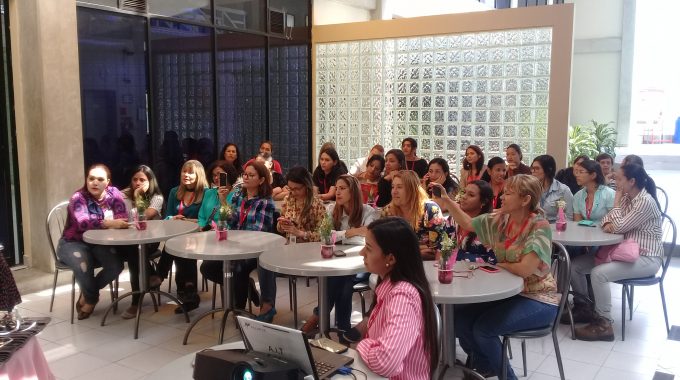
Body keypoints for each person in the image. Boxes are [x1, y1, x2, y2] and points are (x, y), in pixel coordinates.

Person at [432, 174, 557, 380]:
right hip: (510, 294)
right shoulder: (502, 220)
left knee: (484, 330)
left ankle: (507, 377)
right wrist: (446, 199)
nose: (502, 197)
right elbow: (468, 223)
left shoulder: (539, 226)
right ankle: (483, 366)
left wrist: (498, 264)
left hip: (539, 297)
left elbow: (525, 269)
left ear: (525, 200)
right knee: (459, 320)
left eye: (508, 193)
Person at [570, 164, 663, 341]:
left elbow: (619, 226)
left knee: (598, 274)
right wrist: (610, 222)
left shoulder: (644, 201)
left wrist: (616, 201)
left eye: (619, 179)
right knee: (576, 266)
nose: (615, 182)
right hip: (623, 252)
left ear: (632, 181)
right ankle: (584, 308)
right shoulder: (629, 198)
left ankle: (604, 323)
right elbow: (607, 219)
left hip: (646, 258)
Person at [350, 217, 439, 379]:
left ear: (390, 259)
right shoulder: (389, 285)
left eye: (368, 248)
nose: (361, 253)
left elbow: (385, 363)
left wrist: (362, 344)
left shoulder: (402, 297)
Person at [300, 175, 378, 339]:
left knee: (343, 280)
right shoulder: (331, 210)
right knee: (340, 279)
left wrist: (341, 235)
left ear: (354, 191)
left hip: (362, 263)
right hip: (337, 261)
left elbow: (368, 238)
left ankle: (319, 318)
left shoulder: (368, 212)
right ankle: (343, 331)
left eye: (342, 188)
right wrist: (353, 232)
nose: (337, 192)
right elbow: (325, 237)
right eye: (336, 188)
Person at [202, 162, 276, 320]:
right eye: (245, 174)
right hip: (235, 247)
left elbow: (258, 232)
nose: (246, 178)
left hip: (256, 249)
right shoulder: (238, 195)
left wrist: (236, 236)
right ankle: (247, 288)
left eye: (251, 175)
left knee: (238, 269)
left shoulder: (265, 201)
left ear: (261, 180)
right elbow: (232, 220)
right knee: (207, 267)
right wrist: (223, 201)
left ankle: (238, 310)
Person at [57, 164, 127, 320]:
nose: (95, 182)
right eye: (91, 178)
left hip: (100, 242)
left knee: (116, 265)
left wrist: (113, 222)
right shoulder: (78, 198)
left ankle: (87, 293)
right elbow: (83, 223)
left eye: (100, 179)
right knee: (83, 264)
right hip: (72, 242)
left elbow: (122, 216)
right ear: (86, 180)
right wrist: (108, 223)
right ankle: (91, 299)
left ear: (108, 182)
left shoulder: (114, 194)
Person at [154, 160, 209, 313]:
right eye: (184, 171)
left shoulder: (206, 193)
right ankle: (189, 290)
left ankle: (161, 275)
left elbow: (205, 220)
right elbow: (167, 218)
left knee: (179, 245)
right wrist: (172, 219)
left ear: (199, 175)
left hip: (199, 235)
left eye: (190, 172)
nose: (186, 175)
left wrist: (186, 221)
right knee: (178, 245)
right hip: (178, 236)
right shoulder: (174, 192)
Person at [118, 165, 164, 319]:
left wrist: (139, 197)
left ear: (150, 182)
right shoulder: (122, 196)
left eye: (142, 180)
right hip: (128, 239)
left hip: (150, 240)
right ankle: (151, 274)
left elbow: (142, 219)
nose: (138, 183)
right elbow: (121, 219)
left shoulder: (157, 198)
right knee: (133, 251)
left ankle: (135, 302)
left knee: (134, 255)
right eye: (135, 179)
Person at [382, 170, 446, 260]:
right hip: (396, 265)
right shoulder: (387, 212)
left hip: (427, 265)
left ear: (412, 189)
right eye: (393, 187)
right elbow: (383, 247)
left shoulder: (431, 210)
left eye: (399, 187)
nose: (394, 191)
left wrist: (400, 251)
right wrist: (416, 251)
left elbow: (436, 249)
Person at [450, 180, 496, 264]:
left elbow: (493, 260)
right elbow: (441, 250)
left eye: (471, 195)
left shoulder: (488, 227)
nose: (464, 197)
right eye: (464, 192)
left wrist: (456, 256)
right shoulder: (452, 219)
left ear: (484, 202)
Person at [531, 155, 574, 223]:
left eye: (537, 168)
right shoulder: (530, 188)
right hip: (534, 227)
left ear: (548, 170)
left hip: (555, 228)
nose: (533, 171)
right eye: (532, 168)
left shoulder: (563, 190)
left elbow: (569, 217)